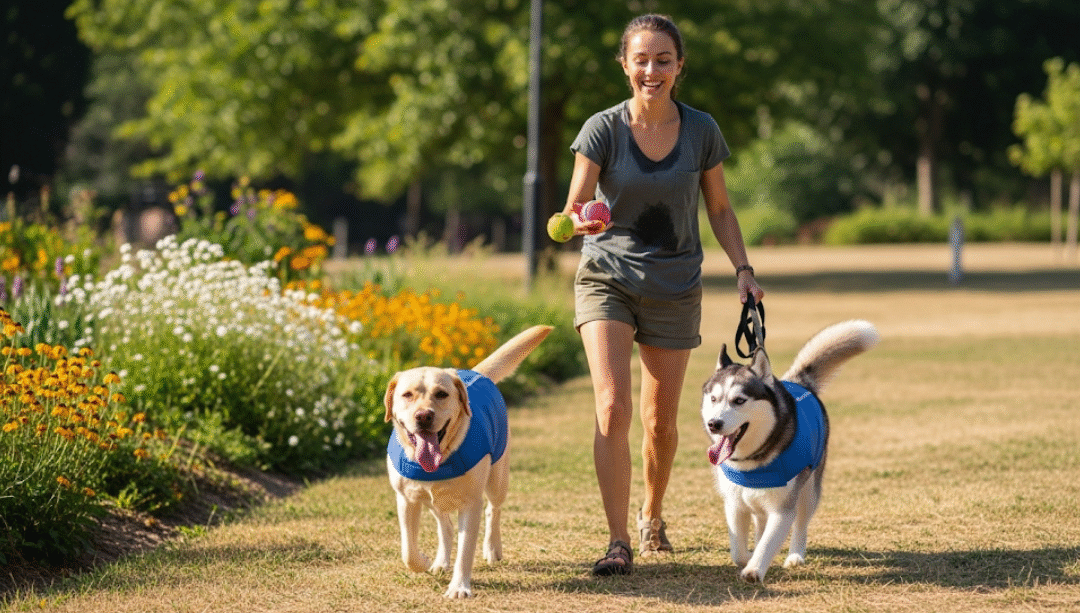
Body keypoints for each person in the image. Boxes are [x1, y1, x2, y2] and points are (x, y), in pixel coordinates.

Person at [561, 13, 765, 576]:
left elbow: (719, 208)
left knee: (660, 420)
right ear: (625, 65)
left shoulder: (701, 131)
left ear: (679, 67)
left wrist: (744, 269)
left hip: (676, 283)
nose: (652, 70)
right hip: (607, 276)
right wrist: (579, 222)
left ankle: (653, 514)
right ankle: (618, 540)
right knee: (612, 406)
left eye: (664, 60)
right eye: (642, 59)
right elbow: (574, 206)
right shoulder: (602, 129)